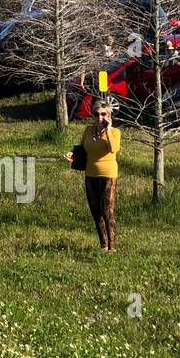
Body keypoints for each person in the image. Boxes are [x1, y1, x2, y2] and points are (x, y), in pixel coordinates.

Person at [64, 97, 121, 251]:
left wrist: (108, 130)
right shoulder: (88, 130)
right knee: (96, 211)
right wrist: (72, 153)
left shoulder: (115, 132)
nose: (100, 118)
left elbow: (113, 149)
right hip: (90, 173)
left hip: (108, 174)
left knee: (107, 211)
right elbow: (83, 147)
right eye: (97, 114)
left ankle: (112, 247)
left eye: (103, 114)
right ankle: (103, 245)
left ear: (109, 115)